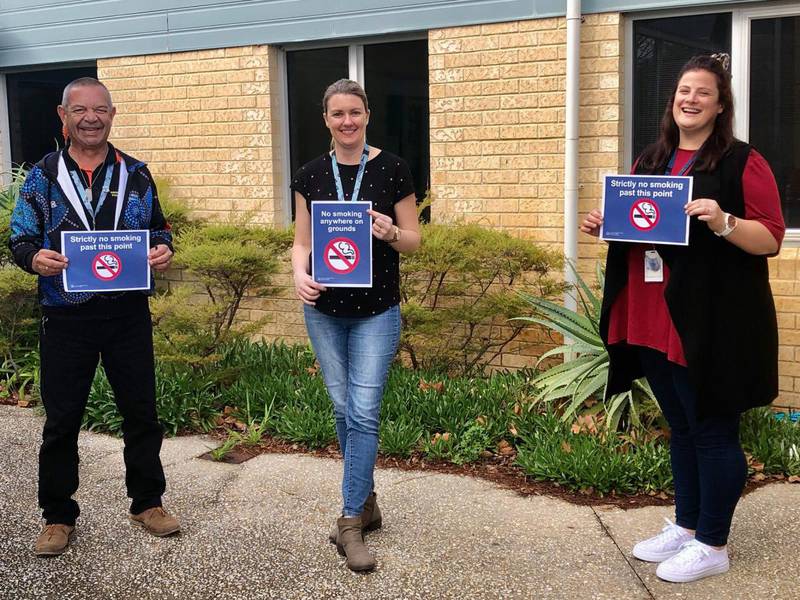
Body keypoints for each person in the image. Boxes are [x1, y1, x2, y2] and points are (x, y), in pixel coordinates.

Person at [580, 54, 785, 583]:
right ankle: (689, 526)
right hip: (651, 314)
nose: (689, 100)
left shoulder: (742, 162)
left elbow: (770, 239)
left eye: (702, 93)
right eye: (682, 91)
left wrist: (724, 220)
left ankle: (714, 542)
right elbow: (640, 227)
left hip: (710, 323)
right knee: (682, 427)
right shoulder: (653, 158)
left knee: (714, 430)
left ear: (720, 105)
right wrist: (605, 222)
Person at [8, 77, 180, 556]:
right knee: (61, 421)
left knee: (141, 413)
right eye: (80, 109)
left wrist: (163, 249)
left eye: (100, 109)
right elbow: (19, 238)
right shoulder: (43, 176)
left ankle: (147, 502)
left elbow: (161, 230)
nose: (91, 117)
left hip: (126, 314)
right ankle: (58, 515)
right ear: (63, 116)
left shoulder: (137, 174)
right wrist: (33, 259)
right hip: (65, 316)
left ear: (112, 114)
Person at [290, 79, 421, 572]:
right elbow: (302, 242)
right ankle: (366, 502)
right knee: (344, 410)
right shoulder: (310, 175)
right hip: (323, 311)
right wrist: (298, 273)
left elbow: (414, 241)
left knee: (363, 413)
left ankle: (349, 521)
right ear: (326, 119)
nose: (347, 121)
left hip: (377, 311)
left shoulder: (392, 169)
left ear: (367, 115)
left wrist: (391, 232)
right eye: (338, 114)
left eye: (355, 112)